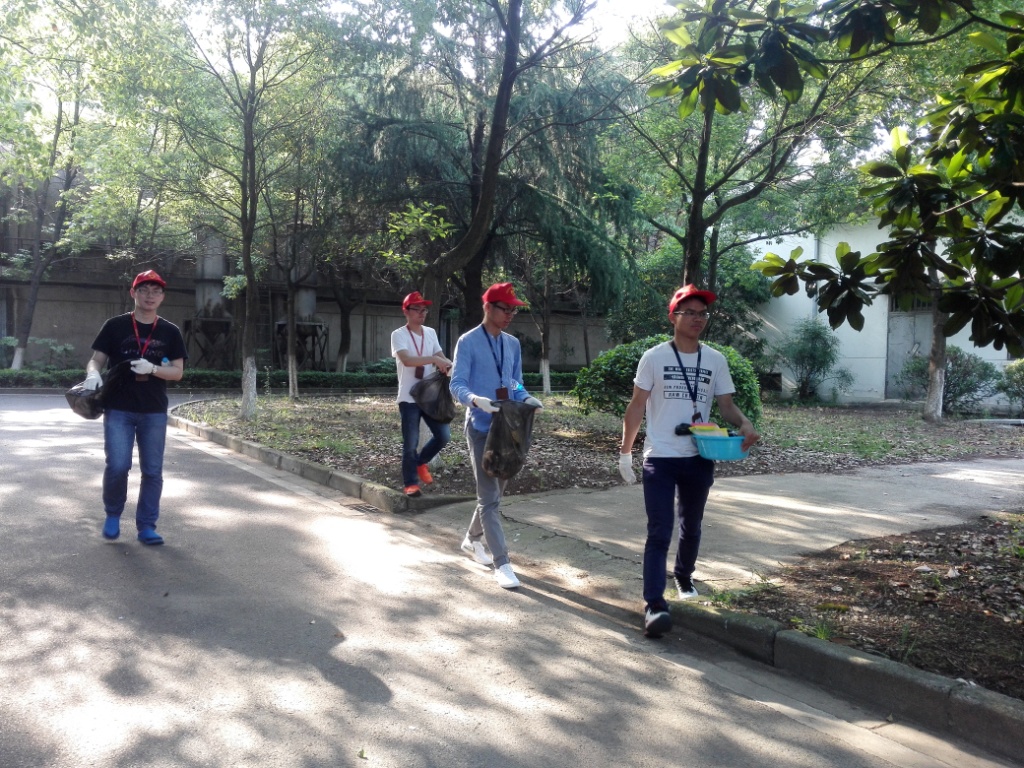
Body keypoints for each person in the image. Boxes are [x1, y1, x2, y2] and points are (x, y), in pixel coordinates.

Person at [618, 284, 760, 637]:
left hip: (700, 454)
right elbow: (637, 406)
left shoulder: (715, 360)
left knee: (692, 525)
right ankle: (654, 605)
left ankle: (683, 575)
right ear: (673, 317)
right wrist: (625, 452)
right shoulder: (654, 357)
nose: (698, 319)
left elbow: (726, 406)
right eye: (690, 313)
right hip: (661, 456)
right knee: (659, 530)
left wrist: (744, 423)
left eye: (702, 313)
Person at [449, 282, 543, 589]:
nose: (510, 315)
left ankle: (472, 538)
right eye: (506, 309)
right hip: (480, 428)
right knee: (489, 498)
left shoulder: (512, 344)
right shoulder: (468, 342)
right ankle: (502, 563)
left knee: (495, 493)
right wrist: (476, 400)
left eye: (514, 310)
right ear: (488, 307)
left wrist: (525, 396)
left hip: (508, 428)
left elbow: (514, 382)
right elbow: (457, 384)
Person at [84, 270, 187, 546]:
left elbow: (177, 372)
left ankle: (146, 526)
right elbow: (96, 360)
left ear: (162, 297)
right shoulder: (115, 326)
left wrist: (153, 368)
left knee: (152, 471)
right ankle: (113, 514)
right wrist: (92, 373)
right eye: (144, 290)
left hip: (153, 410)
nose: (150, 296)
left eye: (156, 291)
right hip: (118, 408)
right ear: (133, 293)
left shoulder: (170, 331)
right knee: (118, 465)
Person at [390, 291, 453, 498]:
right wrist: (434, 360)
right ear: (406, 311)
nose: (421, 313)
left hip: (429, 396)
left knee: (444, 435)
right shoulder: (399, 335)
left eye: (424, 309)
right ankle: (411, 484)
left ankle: (420, 462)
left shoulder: (430, 333)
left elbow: (441, 357)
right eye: (416, 309)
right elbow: (407, 360)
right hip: (408, 398)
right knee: (410, 443)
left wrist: (449, 365)